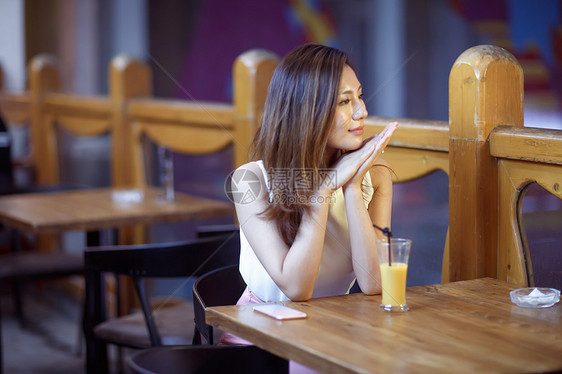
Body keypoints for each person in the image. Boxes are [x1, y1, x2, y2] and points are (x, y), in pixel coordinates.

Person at [222, 44, 398, 373]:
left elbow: (375, 284)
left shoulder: (376, 175)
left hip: (333, 332)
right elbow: (296, 288)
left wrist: (350, 187)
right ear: (307, 112)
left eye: (359, 96)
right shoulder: (250, 181)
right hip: (261, 340)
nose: (361, 112)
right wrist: (323, 190)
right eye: (345, 101)